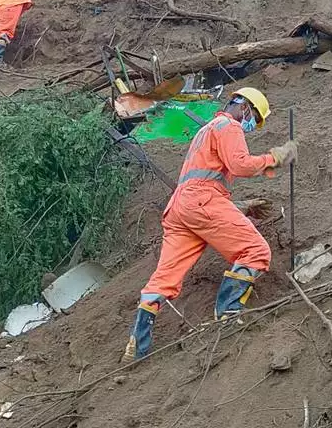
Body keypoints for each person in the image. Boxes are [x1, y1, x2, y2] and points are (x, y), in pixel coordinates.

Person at [122, 87, 297, 361]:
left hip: (180, 208)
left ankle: (138, 345)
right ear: (245, 107)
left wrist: (238, 206)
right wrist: (274, 158)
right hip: (202, 201)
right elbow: (239, 165)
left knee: (164, 279)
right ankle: (227, 316)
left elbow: (203, 178)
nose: (251, 125)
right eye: (254, 119)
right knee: (256, 251)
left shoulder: (206, 129)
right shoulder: (230, 126)